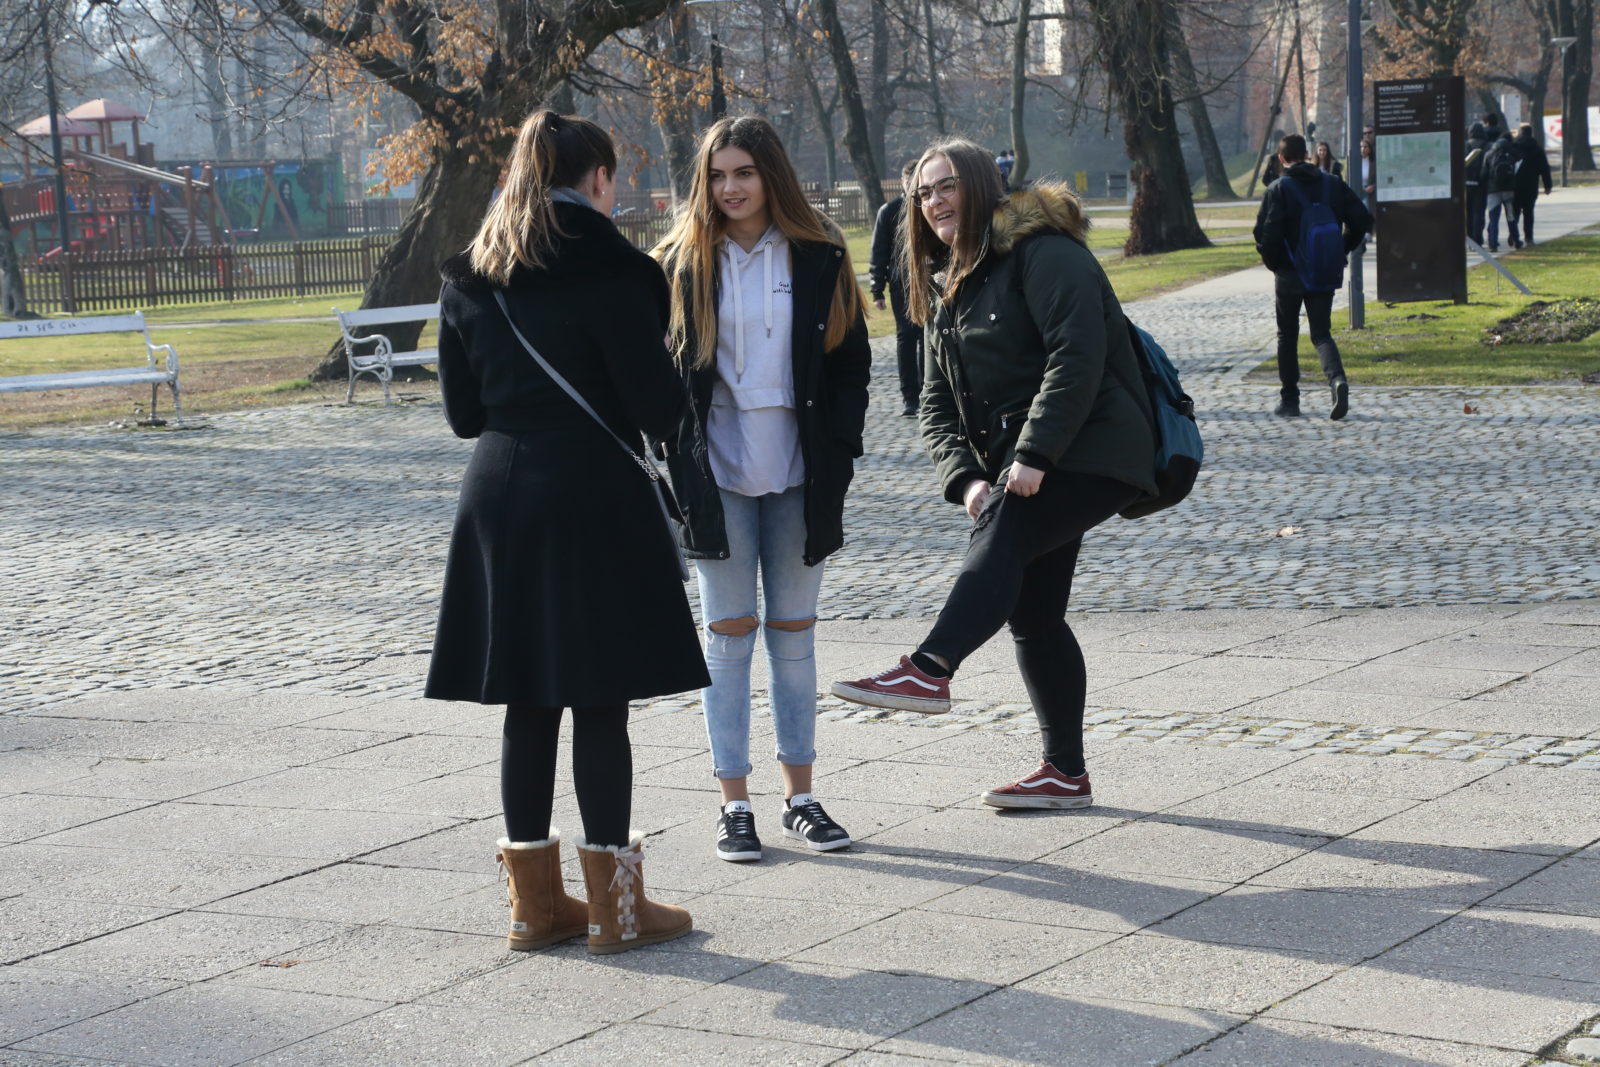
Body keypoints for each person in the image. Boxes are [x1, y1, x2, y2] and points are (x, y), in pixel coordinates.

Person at [426, 110, 706, 955]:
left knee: (528, 695)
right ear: (598, 179)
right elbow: (658, 410)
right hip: (594, 489)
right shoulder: (620, 269)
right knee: (601, 696)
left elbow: (462, 414)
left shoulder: (469, 274)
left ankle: (534, 907)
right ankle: (616, 911)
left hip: (502, 488)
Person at [831, 139, 1158, 811]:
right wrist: (965, 479)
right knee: (1034, 614)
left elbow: (1077, 357)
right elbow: (934, 402)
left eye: (947, 185)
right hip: (1028, 461)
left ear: (981, 186)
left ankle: (930, 667)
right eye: (923, 193)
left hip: (1094, 447)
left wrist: (1033, 455)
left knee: (1006, 533)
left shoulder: (1045, 253)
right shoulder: (948, 279)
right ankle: (1064, 774)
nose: (934, 202)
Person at [653, 116, 871, 863]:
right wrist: (671, 450)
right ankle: (734, 804)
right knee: (727, 637)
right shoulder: (681, 261)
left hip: (801, 473)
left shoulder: (819, 252)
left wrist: (841, 450)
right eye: (717, 175)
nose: (730, 188)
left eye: (743, 172)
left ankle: (800, 797)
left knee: (794, 637)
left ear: (771, 174)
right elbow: (657, 371)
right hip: (714, 474)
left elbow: (850, 363)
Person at [1253, 133, 1372, 420]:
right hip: (1323, 270)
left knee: (1287, 335)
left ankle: (1290, 400)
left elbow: (1265, 234)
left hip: (1289, 273)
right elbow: (1362, 220)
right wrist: (1341, 248)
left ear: (1282, 158)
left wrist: (1274, 264)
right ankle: (1337, 380)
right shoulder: (1332, 184)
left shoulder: (1278, 189)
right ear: (1307, 154)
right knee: (1321, 333)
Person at [871, 159, 924, 416]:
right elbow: (879, 251)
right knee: (906, 337)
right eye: (909, 181)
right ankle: (910, 397)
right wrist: (877, 287)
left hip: (929, 281)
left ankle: (929, 391)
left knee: (928, 337)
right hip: (901, 282)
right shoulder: (889, 211)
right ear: (903, 182)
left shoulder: (928, 206)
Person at [1511, 122, 1553, 246]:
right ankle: (1528, 237)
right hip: (1531, 185)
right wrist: (1547, 185)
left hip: (1515, 184)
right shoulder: (1537, 149)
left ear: (1520, 134)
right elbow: (1544, 169)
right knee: (1528, 212)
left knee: (1514, 211)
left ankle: (1513, 234)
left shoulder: (1514, 148)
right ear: (1531, 134)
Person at [1482, 127, 1520, 251]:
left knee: (1494, 218)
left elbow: (1484, 173)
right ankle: (1516, 240)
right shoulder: (1511, 153)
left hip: (1493, 191)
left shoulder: (1489, 154)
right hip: (1508, 190)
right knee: (1511, 217)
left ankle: (1493, 243)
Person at [1464, 121, 1490, 248]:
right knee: (1479, 211)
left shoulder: (1465, 145)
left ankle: (1470, 239)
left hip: (1466, 183)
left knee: (1468, 212)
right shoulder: (1488, 146)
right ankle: (1477, 238)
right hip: (1482, 183)